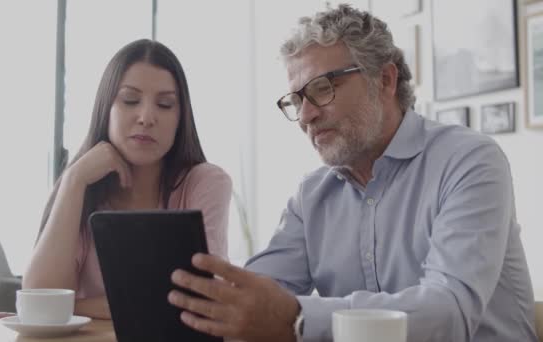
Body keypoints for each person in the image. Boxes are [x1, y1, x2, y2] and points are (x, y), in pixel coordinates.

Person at [167, 4, 537, 342]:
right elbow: (261, 291)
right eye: (296, 101)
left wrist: (297, 318)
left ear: (386, 80)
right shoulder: (310, 196)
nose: (306, 115)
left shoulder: (469, 160)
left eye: (322, 88)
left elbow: (448, 314)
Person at [21, 39, 232, 320]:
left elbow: (201, 299)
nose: (146, 117)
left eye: (165, 104)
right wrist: (73, 180)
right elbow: (39, 301)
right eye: (130, 100)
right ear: (105, 109)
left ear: (181, 118)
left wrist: (72, 307)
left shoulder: (205, 183)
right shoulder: (79, 186)